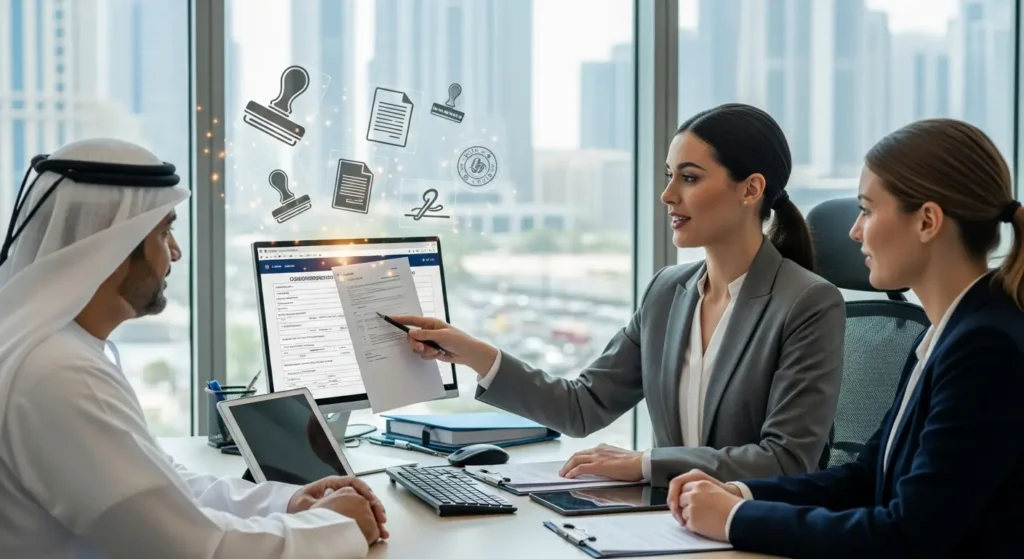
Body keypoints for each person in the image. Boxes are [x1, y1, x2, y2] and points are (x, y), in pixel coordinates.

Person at [396, 103, 845, 487]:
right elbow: (582, 407)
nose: (667, 195)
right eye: (670, 176)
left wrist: (644, 464)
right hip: (670, 526)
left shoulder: (807, 303)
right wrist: (474, 352)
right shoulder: (667, 292)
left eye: (689, 178)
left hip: (750, 531)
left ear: (751, 189)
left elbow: (786, 461)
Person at [0, 138, 387, 558]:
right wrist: (338, 525)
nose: (176, 252)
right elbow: (196, 549)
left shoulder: (57, 347)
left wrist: (286, 502)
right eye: (164, 232)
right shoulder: (58, 372)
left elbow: (154, 485)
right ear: (111, 245)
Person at [667, 118, 1024, 558]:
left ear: (928, 221)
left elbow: (907, 534)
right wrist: (741, 494)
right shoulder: (947, 333)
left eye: (868, 210)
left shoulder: (985, 348)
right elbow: (866, 477)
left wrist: (735, 520)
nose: (855, 231)